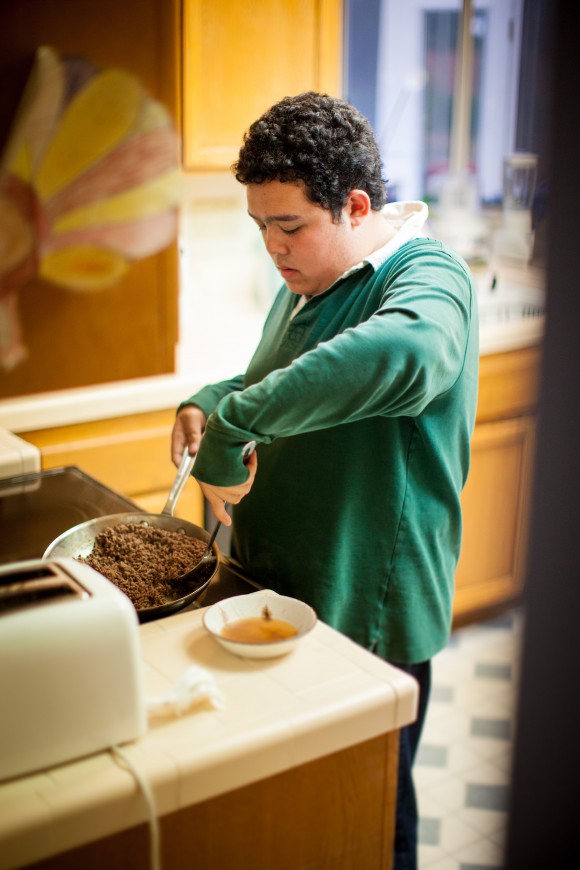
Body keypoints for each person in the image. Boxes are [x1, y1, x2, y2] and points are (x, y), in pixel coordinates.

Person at [171, 91, 479, 870]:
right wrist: (207, 404)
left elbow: (402, 354)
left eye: (290, 226)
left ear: (355, 205)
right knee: (300, 815)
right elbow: (270, 381)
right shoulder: (308, 279)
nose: (273, 249)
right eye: (260, 228)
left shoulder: (430, 282)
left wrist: (240, 418)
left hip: (365, 610)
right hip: (287, 590)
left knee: (369, 817)